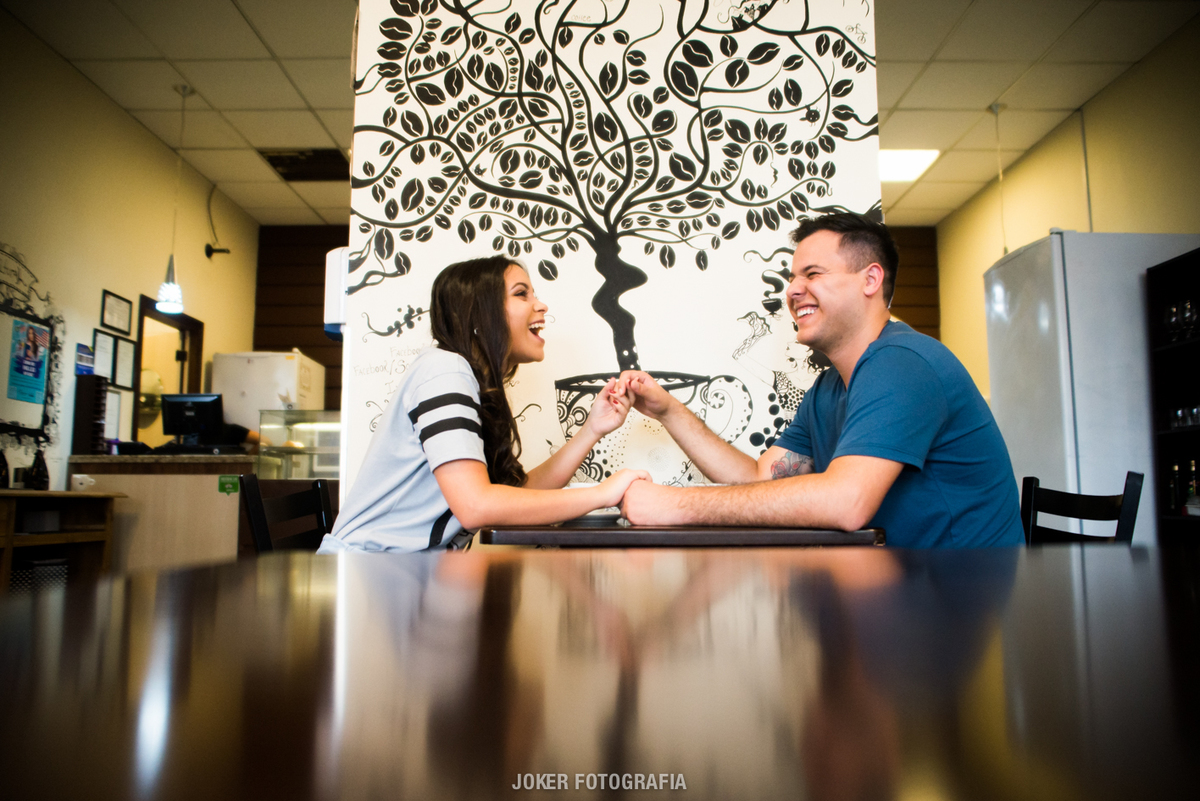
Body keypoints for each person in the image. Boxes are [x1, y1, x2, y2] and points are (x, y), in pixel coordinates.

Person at [619, 212, 1024, 548]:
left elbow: (847, 502)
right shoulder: (830, 387)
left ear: (870, 280)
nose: (793, 290)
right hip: (900, 593)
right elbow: (761, 477)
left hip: (965, 609)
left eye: (812, 273)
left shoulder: (902, 362)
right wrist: (668, 411)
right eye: (793, 278)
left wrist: (676, 506)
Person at [319, 255, 649, 553]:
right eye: (522, 294)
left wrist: (592, 429)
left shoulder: (463, 378)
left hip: (396, 577)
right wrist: (603, 494)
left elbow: (516, 495)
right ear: (480, 312)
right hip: (364, 577)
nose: (541, 305)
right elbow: (477, 506)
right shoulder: (444, 370)